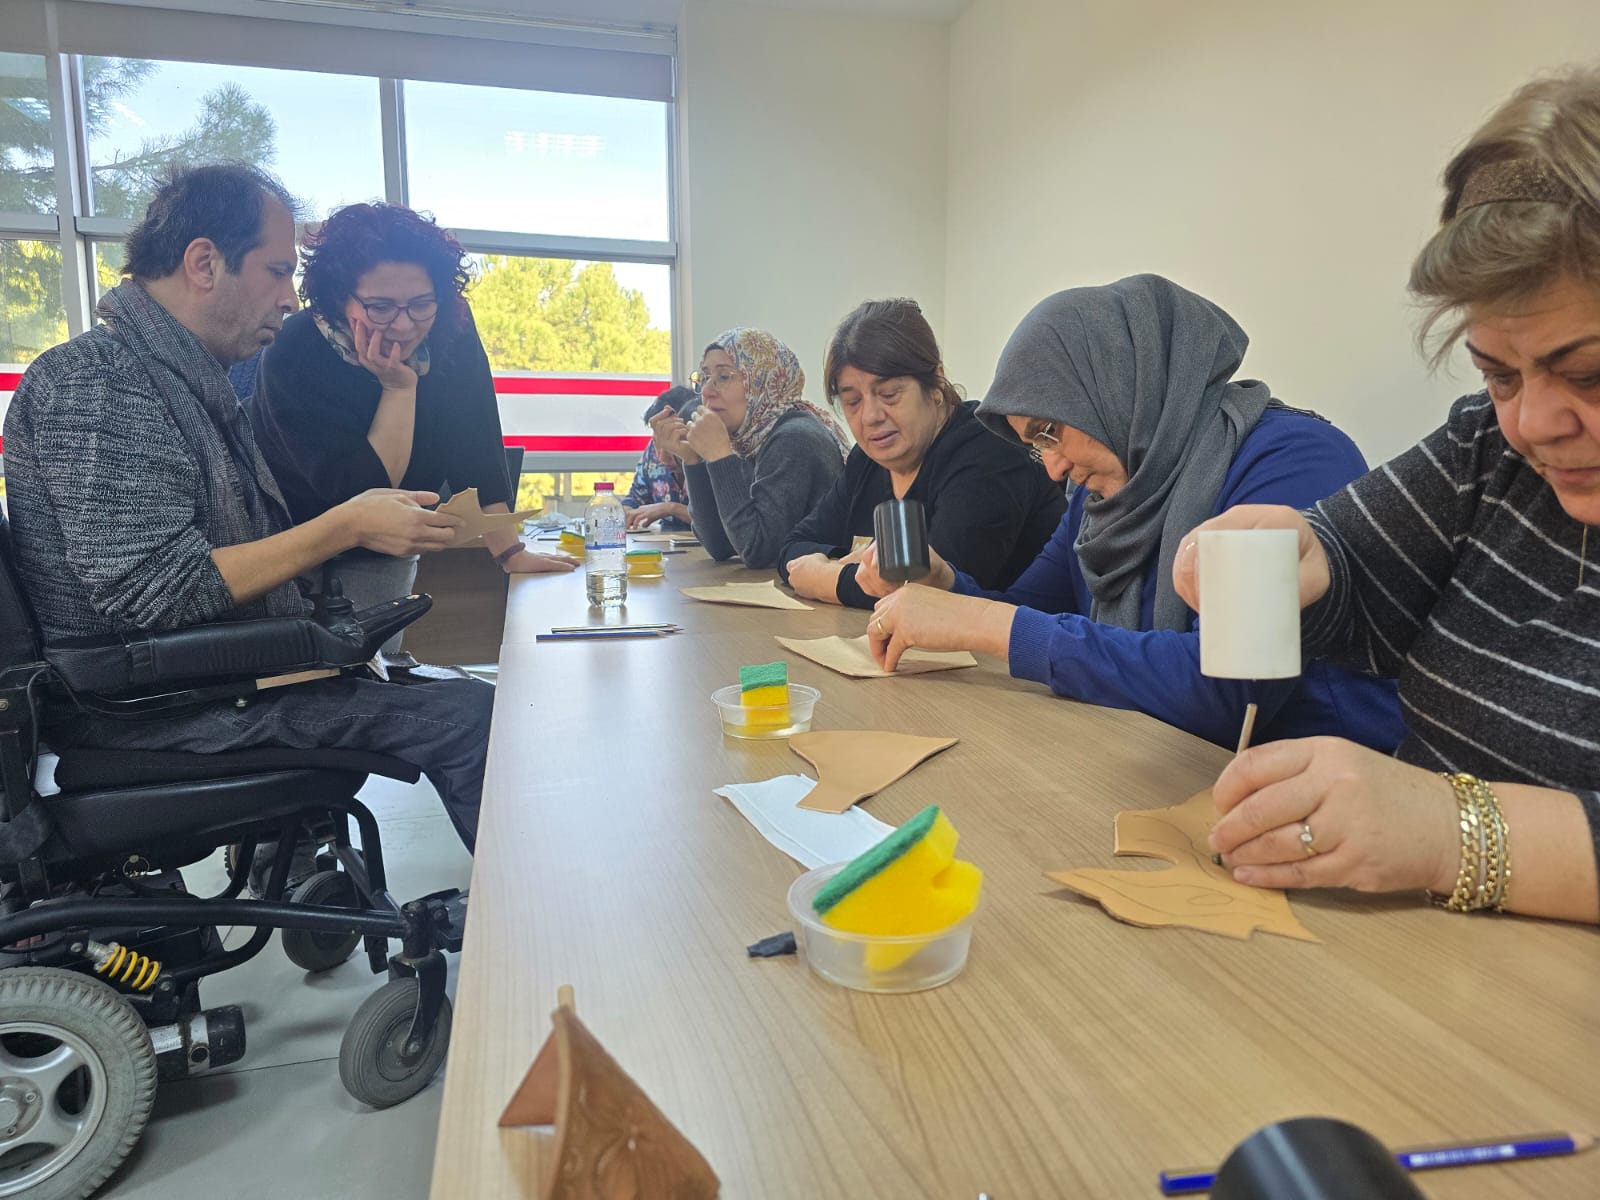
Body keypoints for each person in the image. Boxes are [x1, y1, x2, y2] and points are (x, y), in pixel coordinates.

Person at [1173, 69, 1600, 924]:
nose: (1533, 422)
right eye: (1499, 374)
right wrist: (1303, 559)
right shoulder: (1488, 450)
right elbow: (1353, 566)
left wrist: (1453, 831)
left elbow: (1442, 828)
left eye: (1587, 374)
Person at [2, 164, 490, 852]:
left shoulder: (180, 381)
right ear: (204, 263)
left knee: (455, 696)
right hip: (150, 708)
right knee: (473, 720)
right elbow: (155, 590)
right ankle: (539, 917)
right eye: (277, 271)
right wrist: (345, 525)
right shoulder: (100, 383)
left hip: (197, 681)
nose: (290, 299)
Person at [864, 274, 1405, 754]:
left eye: (1050, 432)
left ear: (1116, 383)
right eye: (1036, 446)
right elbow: (1030, 614)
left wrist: (978, 620)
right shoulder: (1100, 497)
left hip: (1318, 798)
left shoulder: (1293, 459)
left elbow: (1231, 693)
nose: (1052, 467)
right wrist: (947, 586)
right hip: (1152, 763)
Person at [248, 201, 574, 644]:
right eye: (381, 307)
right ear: (340, 298)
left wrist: (511, 553)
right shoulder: (295, 349)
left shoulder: (451, 330)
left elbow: (476, 445)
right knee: (309, 664)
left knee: (374, 657)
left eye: (421, 304)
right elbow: (364, 497)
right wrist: (398, 388)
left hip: (388, 543)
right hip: (293, 535)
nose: (403, 325)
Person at [779, 298, 1065, 608]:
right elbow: (794, 547)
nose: (870, 416)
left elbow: (934, 590)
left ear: (936, 382)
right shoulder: (867, 461)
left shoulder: (990, 448)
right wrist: (846, 567)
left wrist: (827, 578)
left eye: (889, 394)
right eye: (853, 402)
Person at [653, 328, 849, 567]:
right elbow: (720, 545)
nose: (706, 391)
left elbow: (758, 550)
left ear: (760, 381)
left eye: (723, 377)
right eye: (704, 378)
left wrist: (720, 457)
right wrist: (693, 461)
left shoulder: (794, 437)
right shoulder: (751, 440)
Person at [623, 385, 696, 530]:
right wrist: (626, 513)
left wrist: (671, 509)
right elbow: (635, 498)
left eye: (670, 443)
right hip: (666, 542)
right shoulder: (652, 451)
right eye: (657, 442)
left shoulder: (709, 453)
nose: (662, 458)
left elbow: (716, 519)